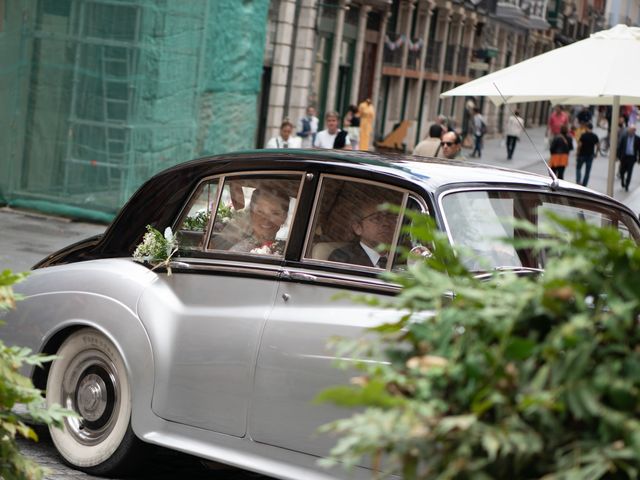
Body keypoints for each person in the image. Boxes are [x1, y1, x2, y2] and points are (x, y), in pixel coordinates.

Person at [328, 203, 397, 268]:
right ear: (358, 228)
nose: (386, 224)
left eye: (390, 217)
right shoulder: (343, 258)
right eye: (376, 218)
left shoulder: (403, 258)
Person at [229, 188, 290, 254]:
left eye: (275, 213)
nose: (267, 219)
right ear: (251, 214)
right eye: (260, 212)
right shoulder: (239, 252)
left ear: (284, 217)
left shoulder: (288, 250)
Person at [616, 124, 640, 192]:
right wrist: (618, 156)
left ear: (634, 131)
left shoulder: (637, 139)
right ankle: (623, 180)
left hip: (632, 158)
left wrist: (639, 159)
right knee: (622, 171)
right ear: (629, 130)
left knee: (630, 172)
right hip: (624, 157)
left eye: (633, 131)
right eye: (630, 130)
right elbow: (620, 147)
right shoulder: (624, 137)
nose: (631, 132)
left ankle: (627, 185)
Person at [575, 122, 599, 187]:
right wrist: (596, 153)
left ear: (587, 128)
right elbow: (598, 145)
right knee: (587, 172)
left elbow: (579, 145)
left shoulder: (583, 135)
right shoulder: (595, 136)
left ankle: (578, 181)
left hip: (582, 155)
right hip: (590, 155)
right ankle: (584, 185)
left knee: (578, 168)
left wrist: (577, 153)